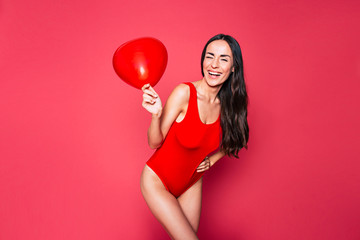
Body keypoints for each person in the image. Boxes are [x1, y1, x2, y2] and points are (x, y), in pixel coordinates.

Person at [140, 34, 249, 239]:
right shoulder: (184, 93)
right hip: (157, 180)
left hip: (192, 182)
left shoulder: (230, 105)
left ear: (234, 67)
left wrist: (213, 159)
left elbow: (238, 138)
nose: (214, 64)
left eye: (224, 59)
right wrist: (156, 115)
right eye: (210, 56)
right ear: (203, 60)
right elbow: (154, 142)